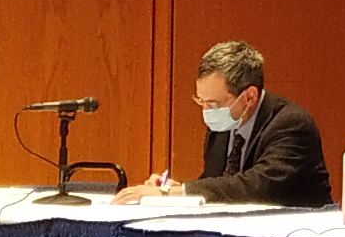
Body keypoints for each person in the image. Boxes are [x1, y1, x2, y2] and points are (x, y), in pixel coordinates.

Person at [118, 40, 327, 207]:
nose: (207, 112)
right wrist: (176, 189)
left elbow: (256, 186)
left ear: (250, 96)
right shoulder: (223, 127)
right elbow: (216, 182)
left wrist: (173, 193)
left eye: (214, 104)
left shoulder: (291, 124)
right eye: (201, 101)